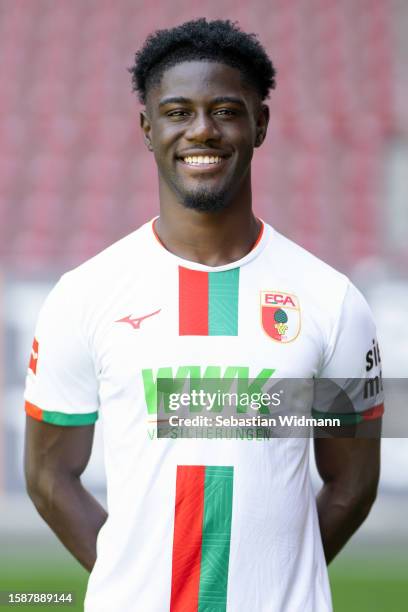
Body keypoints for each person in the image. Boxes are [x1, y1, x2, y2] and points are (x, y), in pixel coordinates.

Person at [24, 18, 384, 612]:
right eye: (177, 111)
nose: (201, 131)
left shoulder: (333, 299)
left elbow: (354, 480)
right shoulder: (82, 295)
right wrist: (133, 579)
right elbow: (47, 476)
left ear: (260, 124)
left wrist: (276, 582)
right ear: (147, 128)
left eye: (224, 110)